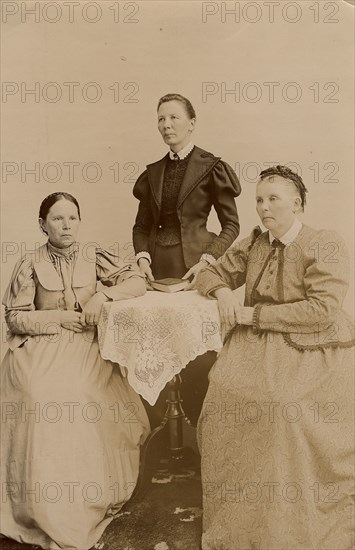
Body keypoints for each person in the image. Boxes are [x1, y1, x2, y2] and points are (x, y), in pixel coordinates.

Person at [196, 166, 354, 549]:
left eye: (273, 199)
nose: (264, 208)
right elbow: (210, 273)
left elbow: (323, 309)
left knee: (283, 409)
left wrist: (256, 315)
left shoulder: (324, 242)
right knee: (222, 396)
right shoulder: (254, 243)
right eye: (259, 200)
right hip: (257, 344)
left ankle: (288, 523)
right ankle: (240, 520)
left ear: (297, 203)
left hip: (312, 348)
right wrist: (221, 292)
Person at [1, 192, 150, 550]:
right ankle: (40, 508)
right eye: (57, 219)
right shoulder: (30, 263)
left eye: (72, 218)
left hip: (86, 347)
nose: (66, 226)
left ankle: (84, 501)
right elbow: (15, 317)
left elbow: (137, 282)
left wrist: (103, 297)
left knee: (81, 393)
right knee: (38, 394)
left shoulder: (93, 255)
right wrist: (62, 317)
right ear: (42, 225)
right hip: (41, 345)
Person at [132, 93, 241, 425]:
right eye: (161, 119)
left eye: (174, 118)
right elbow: (141, 226)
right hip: (155, 276)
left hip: (196, 273)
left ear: (192, 123)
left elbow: (231, 225)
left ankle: (198, 437)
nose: (166, 125)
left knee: (197, 356)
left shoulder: (211, 167)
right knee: (153, 353)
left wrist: (208, 260)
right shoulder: (152, 172)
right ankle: (163, 436)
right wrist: (142, 257)